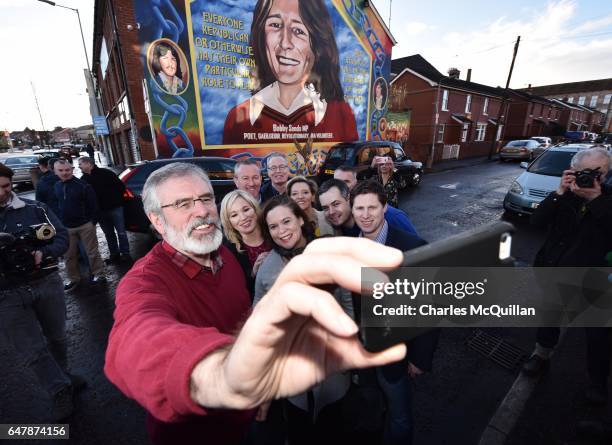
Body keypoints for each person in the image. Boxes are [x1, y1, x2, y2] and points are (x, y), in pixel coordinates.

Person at [104, 162, 404, 445]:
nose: (201, 211)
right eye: (183, 204)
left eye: (206, 199)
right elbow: (137, 338)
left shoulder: (226, 260)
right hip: (200, 433)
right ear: (157, 219)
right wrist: (220, 374)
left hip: (257, 414)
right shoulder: (145, 280)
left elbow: (249, 321)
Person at [254, 194, 353, 444]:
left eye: (286, 221)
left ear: (300, 220)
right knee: (300, 432)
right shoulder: (267, 270)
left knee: (334, 429)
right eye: (273, 226)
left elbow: (347, 302)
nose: (281, 231)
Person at [522, 148, 612, 406]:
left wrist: (595, 199)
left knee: (598, 335)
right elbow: (536, 222)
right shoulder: (563, 196)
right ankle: (541, 356)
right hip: (556, 271)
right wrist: (560, 192)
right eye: (587, 173)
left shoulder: (607, 199)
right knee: (550, 318)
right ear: (573, 171)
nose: (595, 179)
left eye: (600, 173)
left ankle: (597, 382)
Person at [351, 180, 437, 445]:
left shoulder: (412, 247)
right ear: (352, 211)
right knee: (370, 410)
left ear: (385, 207)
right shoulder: (347, 247)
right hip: (362, 353)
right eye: (359, 208)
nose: (365, 215)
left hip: (396, 356)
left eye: (372, 208)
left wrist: (420, 358)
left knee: (400, 417)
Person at [0, 163, 83, 421]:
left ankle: (62, 373)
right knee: (31, 349)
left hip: (46, 282)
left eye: (5, 186)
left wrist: (42, 253)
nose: (2, 193)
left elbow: (61, 238)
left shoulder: (36, 209)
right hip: (6, 294)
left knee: (57, 337)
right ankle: (59, 389)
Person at [222, 0, 358, 145]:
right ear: (261, 36)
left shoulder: (340, 115)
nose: (285, 43)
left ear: (317, 45)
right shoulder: (238, 119)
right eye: (275, 25)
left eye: (298, 31)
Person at [53, 159, 105, 291]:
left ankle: (99, 275)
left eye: (67, 170)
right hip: (66, 227)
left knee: (91, 252)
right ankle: (73, 279)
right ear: (55, 171)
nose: (64, 173)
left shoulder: (83, 185)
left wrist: (92, 222)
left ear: (72, 169)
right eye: (61, 170)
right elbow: (57, 205)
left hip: (85, 225)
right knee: (69, 255)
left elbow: (94, 205)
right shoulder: (57, 186)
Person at [322, 175, 418, 236]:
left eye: (336, 204)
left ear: (348, 199)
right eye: (325, 208)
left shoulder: (392, 217)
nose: (331, 212)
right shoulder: (336, 226)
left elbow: (421, 256)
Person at [78, 156, 131, 264]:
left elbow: (121, 187)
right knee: (109, 234)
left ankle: (125, 254)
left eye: (80, 164)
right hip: (100, 212)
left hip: (115, 208)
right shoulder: (83, 180)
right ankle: (114, 254)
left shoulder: (106, 173)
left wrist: (117, 201)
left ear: (88, 164)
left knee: (121, 232)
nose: (79, 167)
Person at [220, 190, 271, 298]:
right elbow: (234, 291)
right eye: (234, 215)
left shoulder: (273, 231)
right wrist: (253, 273)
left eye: (246, 209)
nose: (243, 218)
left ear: (255, 208)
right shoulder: (227, 251)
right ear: (228, 222)